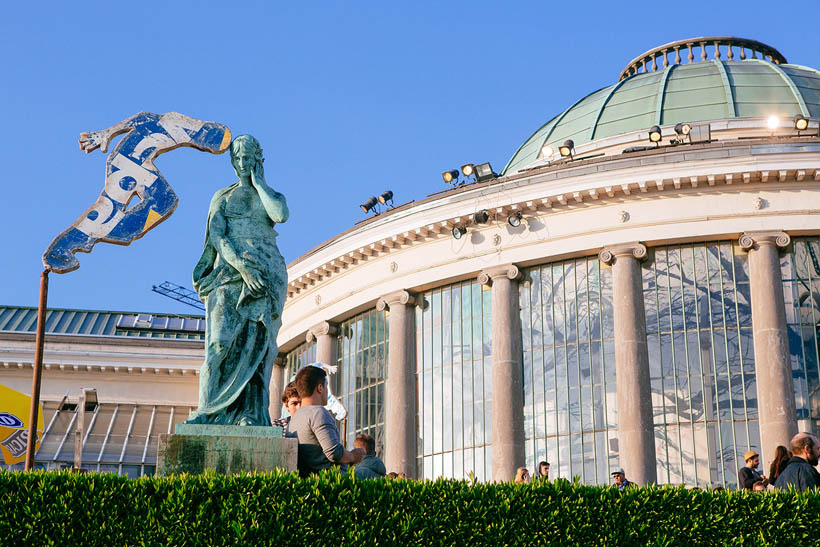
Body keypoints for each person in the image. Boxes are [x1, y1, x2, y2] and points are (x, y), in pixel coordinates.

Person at [184, 134, 289, 426]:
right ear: (232, 161)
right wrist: (242, 267)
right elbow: (217, 236)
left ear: (257, 160)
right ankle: (208, 411)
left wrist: (260, 182)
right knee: (218, 344)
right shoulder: (223, 196)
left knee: (260, 346)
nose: (243, 164)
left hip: (267, 273)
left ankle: (250, 414)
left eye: (248, 158)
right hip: (230, 271)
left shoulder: (270, 195)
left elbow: (280, 215)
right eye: (238, 158)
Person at [288, 366, 363, 477]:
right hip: (328, 484)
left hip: (308, 482)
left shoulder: (294, 419)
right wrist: (353, 456)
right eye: (326, 386)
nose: (327, 390)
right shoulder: (318, 413)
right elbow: (334, 453)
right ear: (320, 388)